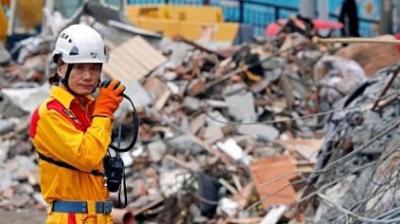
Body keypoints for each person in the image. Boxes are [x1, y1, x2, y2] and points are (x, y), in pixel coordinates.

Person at [29, 24, 125, 224]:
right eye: (80, 67)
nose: (88, 76)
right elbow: (87, 156)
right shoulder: (48, 114)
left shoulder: (92, 110)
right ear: (61, 67)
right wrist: (104, 113)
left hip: (101, 217)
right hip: (70, 218)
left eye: (94, 68)